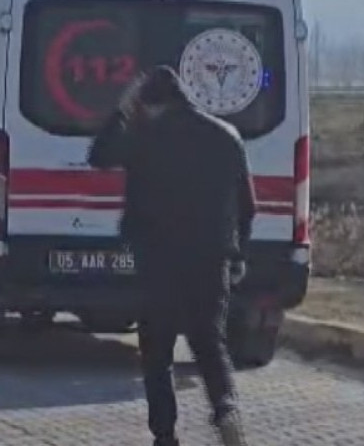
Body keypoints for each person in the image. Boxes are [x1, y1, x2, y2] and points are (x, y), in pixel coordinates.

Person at [88, 66, 253, 446]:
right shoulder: (226, 136)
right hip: (211, 260)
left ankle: (165, 435)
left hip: (157, 260)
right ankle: (226, 409)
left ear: (149, 104)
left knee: (157, 351)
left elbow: (98, 155)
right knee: (210, 343)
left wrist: (122, 111)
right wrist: (238, 253)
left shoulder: (144, 136)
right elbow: (248, 205)